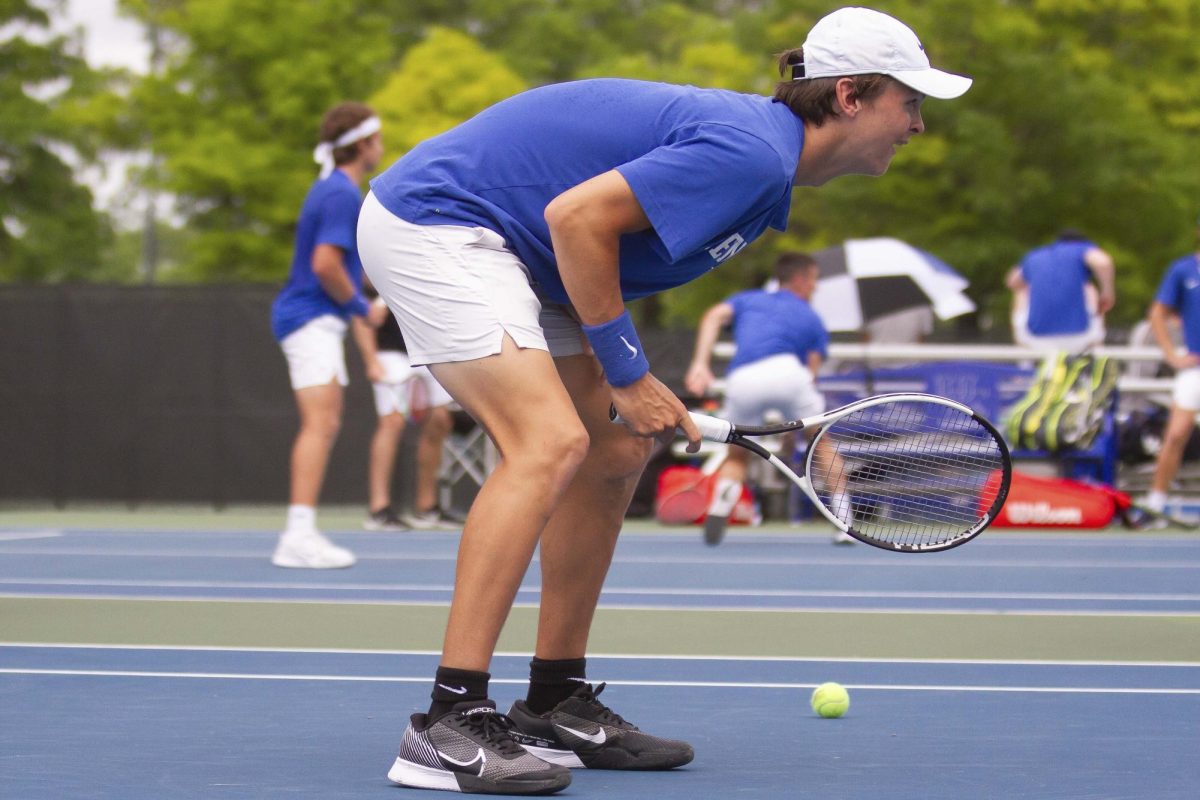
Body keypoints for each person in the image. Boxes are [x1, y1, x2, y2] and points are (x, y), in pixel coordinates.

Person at [358, 7, 971, 794]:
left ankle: (553, 701)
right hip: (442, 224)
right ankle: (446, 720)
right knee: (548, 444)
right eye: (909, 102)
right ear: (850, 95)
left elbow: (588, 239)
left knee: (614, 451)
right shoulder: (752, 153)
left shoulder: (765, 166)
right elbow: (576, 219)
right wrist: (626, 373)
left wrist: (631, 382)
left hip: (526, 258)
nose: (917, 124)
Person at [269, 101, 387, 569]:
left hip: (315, 320)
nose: (381, 148)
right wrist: (361, 306)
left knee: (326, 423)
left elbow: (341, 268)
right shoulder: (340, 194)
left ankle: (300, 532)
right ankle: (297, 537)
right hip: (309, 319)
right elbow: (324, 265)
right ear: (362, 145)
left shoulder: (332, 191)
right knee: (320, 424)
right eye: (377, 140)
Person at [685, 252, 853, 546]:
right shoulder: (811, 315)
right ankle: (844, 522)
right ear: (800, 280)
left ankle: (721, 506)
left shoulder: (747, 299)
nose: (815, 287)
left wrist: (700, 363)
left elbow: (712, 316)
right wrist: (796, 423)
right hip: (790, 374)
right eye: (814, 280)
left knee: (736, 452)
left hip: (744, 378)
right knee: (822, 443)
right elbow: (812, 371)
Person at [354, 295, 455, 530]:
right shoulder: (376, 266)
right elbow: (363, 315)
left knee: (440, 420)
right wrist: (371, 361)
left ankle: (427, 507)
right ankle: (379, 508)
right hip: (389, 353)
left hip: (430, 351)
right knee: (393, 422)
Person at [1143, 215, 1200, 517]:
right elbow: (1157, 313)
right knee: (1176, 433)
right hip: (1195, 367)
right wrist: (1171, 354)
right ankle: (1156, 501)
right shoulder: (1183, 270)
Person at [1006, 230, 1116, 353]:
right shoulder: (1080, 248)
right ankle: (1097, 349)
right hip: (1079, 337)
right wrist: (1107, 292)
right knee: (1088, 288)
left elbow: (1012, 282)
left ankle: (1023, 357)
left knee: (1022, 290)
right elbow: (1103, 262)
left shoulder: (1035, 256)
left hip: (1034, 338)